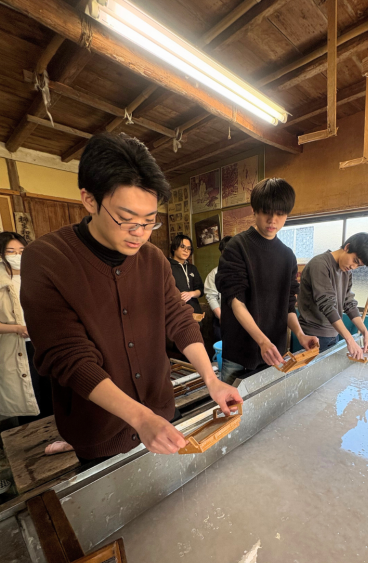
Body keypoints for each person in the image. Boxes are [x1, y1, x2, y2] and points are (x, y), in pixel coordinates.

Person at [21, 132, 242, 463]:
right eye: (126, 220)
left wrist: (211, 380)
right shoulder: (48, 259)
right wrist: (139, 417)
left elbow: (178, 318)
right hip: (100, 430)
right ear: (89, 199)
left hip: (160, 415)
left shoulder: (152, 259)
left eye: (149, 222)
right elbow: (69, 357)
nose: (139, 233)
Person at [215, 178, 319, 385]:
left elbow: (288, 305)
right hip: (239, 352)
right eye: (266, 212)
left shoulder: (287, 256)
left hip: (273, 353)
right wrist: (262, 341)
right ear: (255, 211)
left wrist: (300, 334)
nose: (272, 220)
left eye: (280, 214)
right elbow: (236, 301)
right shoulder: (237, 247)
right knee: (233, 403)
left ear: (287, 214)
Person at [0, 232, 54, 425]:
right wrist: (17, 328)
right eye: (11, 251)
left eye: (21, 251)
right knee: (28, 400)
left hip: (44, 343)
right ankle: (32, 439)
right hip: (16, 347)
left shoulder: (38, 275)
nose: (17, 255)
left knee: (52, 394)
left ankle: (55, 434)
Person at [297, 232, 368, 358]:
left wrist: (365, 334)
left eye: (358, 265)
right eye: (355, 261)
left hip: (334, 333)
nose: (353, 267)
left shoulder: (346, 271)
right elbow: (327, 305)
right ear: (347, 247)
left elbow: (349, 304)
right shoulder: (320, 264)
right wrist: (349, 340)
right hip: (313, 336)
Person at [204, 235, 232, 342]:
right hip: (221, 319)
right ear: (221, 252)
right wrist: (221, 317)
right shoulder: (214, 274)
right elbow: (211, 297)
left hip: (244, 320)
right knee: (221, 348)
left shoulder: (245, 272)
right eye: (225, 252)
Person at [169, 234, 204, 315]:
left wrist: (191, 294)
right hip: (176, 312)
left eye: (189, 248)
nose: (186, 250)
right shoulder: (166, 266)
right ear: (174, 247)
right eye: (182, 247)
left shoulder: (192, 268)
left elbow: (201, 290)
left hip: (194, 311)